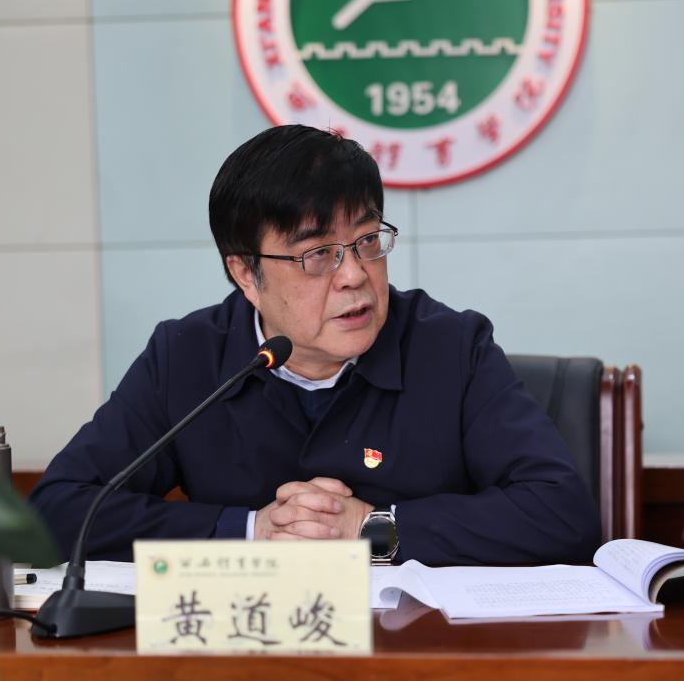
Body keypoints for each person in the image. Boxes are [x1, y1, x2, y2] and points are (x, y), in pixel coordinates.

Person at [29, 125, 601, 565]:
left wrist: (370, 529)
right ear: (245, 273)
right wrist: (251, 531)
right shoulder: (186, 356)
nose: (354, 275)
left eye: (367, 241)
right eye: (317, 254)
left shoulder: (451, 346)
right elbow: (56, 511)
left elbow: (564, 515)